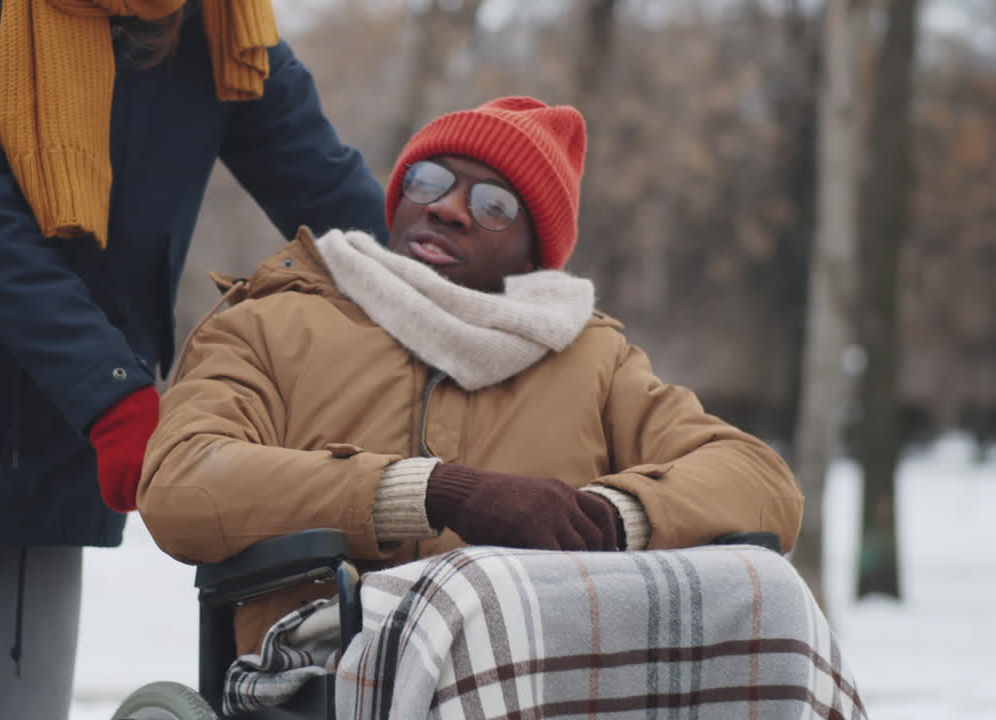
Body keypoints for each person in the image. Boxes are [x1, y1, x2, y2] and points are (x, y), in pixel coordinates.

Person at [0, 1, 386, 718]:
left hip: (51, 418)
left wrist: (462, 293)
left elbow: (327, 189)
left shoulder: (222, 22)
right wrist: (110, 392)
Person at [136, 97, 848, 717]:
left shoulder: (590, 359)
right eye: (431, 179)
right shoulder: (271, 322)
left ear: (533, 257)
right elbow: (182, 480)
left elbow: (759, 480)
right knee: (474, 594)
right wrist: (432, 492)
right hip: (328, 654)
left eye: (493, 204)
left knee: (770, 590)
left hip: (558, 665)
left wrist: (611, 517)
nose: (447, 206)